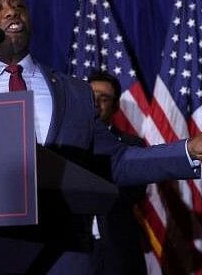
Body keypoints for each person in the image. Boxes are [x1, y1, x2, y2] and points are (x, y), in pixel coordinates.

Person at [0, 0, 202, 273]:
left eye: (18, 6)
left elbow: (115, 162)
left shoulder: (75, 93)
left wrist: (186, 150)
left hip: (63, 252)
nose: (11, 12)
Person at [88, 71, 147, 275]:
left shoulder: (132, 145)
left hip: (117, 248)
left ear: (115, 106)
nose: (96, 102)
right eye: (91, 96)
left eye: (103, 98)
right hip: (75, 247)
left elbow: (135, 193)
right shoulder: (66, 141)